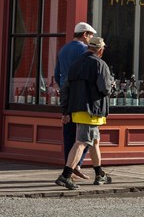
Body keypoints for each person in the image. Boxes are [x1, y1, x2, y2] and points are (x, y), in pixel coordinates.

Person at [55, 36, 114, 190]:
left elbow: (65, 89)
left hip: (77, 108)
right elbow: (105, 88)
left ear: (89, 47)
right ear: (100, 50)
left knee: (94, 141)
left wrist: (65, 110)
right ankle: (65, 176)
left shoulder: (75, 65)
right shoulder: (100, 64)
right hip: (92, 109)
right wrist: (111, 83)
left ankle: (99, 173)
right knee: (82, 142)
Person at [54, 22, 96, 180]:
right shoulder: (85, 50)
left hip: (67, 95)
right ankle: (76, 165)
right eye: (90, 36)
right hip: (81, 96)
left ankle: (68, 166)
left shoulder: (63, 50)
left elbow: (57, 73)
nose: (90, 39)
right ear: (85, 34)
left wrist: (64, 88)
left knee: (69, 132)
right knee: (87, 132)